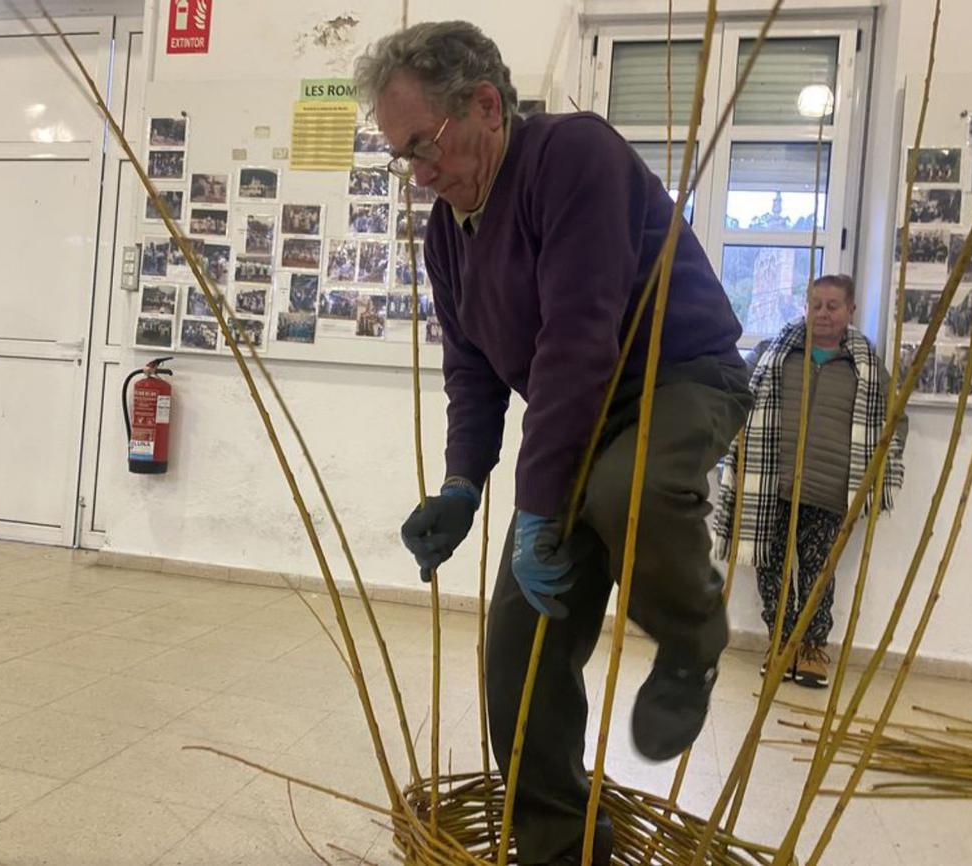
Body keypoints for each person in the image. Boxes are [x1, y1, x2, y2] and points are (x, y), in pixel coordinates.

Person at [355, 21, 752, 866]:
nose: (418, 174)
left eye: (423, 144)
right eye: (401, 156)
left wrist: (536, 509)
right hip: (581, 415)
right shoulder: (446, 234)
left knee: (625, 493)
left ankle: (690, 643)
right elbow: (475, 370)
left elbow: (578, 337)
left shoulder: (573, 157)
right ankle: (558, 849)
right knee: (518, 654)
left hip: (676, 379)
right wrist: (464, 483)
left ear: (487, 106)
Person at [713, 275, 906, 689]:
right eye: (815, 304)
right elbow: (736, 398)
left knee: (819, 572)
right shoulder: (773, 353)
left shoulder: (866, 367)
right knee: (773, 568)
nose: (822, 313)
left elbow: (894, 420)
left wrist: (879, 466)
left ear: (850, 310)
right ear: (806, 306)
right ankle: (781, 643)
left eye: (832, 305)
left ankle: (813, 647)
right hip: (773, 487)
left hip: (829, 490)